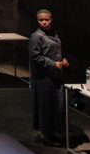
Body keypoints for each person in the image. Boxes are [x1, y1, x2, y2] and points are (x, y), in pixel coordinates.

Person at [29, 9, 68, 146]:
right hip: (43, 76)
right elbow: (35, 56)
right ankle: (47, 134)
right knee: (46, 105)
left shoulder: (55, 33)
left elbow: (58, 50)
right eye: (41, 20)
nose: (44, 22)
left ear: (51, 19)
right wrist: (53, 63)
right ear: (37, 21)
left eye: (47, 19)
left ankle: (53, 132)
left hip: (56, 75)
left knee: (57, 104)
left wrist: (63, 59)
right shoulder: (36, 36)